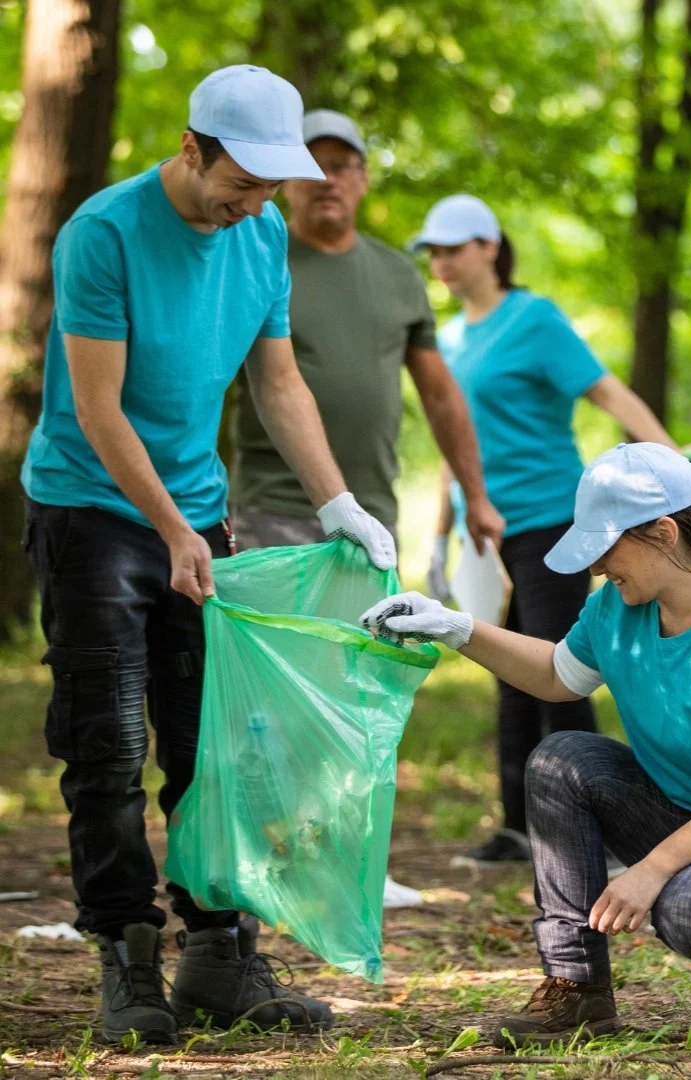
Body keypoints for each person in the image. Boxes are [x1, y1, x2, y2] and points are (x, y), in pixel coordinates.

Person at [21, 66, 398, 1046]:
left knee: (215, 750)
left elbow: (276, 384)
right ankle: (127, 957)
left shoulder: (263, 231)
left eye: (272, 188)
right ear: (192, 147)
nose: (254, 207)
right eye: (242, 184)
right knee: (108, 749)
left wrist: (340, 502)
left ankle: (219, 957)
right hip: (93, 511)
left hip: (194, 513)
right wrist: (174, 530)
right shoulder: (103, 233)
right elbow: (98, 409)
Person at [361, 442, 691, 1047]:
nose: (596, 567)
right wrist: (455, 627)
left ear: (662, 532)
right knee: (561, 759)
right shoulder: (615, 609)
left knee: (689, 909)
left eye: (606, 548)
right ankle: (577, 993)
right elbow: (554, 675)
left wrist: (649, 871)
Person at [410, 195, 676, 862]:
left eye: (453, 247)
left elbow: (607, 392)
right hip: (488, 534)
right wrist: (440, 536)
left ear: (489, 247)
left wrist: (674, 463)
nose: (441, 261)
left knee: (562, 669)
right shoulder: (448, 339)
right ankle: (517, 826)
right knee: (506, 670)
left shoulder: (533, 319)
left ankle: (604, 829)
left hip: (554, 521)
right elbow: (453, 446)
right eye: (433, 251)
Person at [230, 112, 503, 555]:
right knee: (276, 629)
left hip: (372, 511)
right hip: (273, 508)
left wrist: (475, 498)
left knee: (367, 629)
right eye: (311, 166)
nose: (326, 179)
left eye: (340, 166)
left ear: (363, 179)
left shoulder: (399, 274)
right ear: (285, 181)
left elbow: (440, 396)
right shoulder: (255, 262)